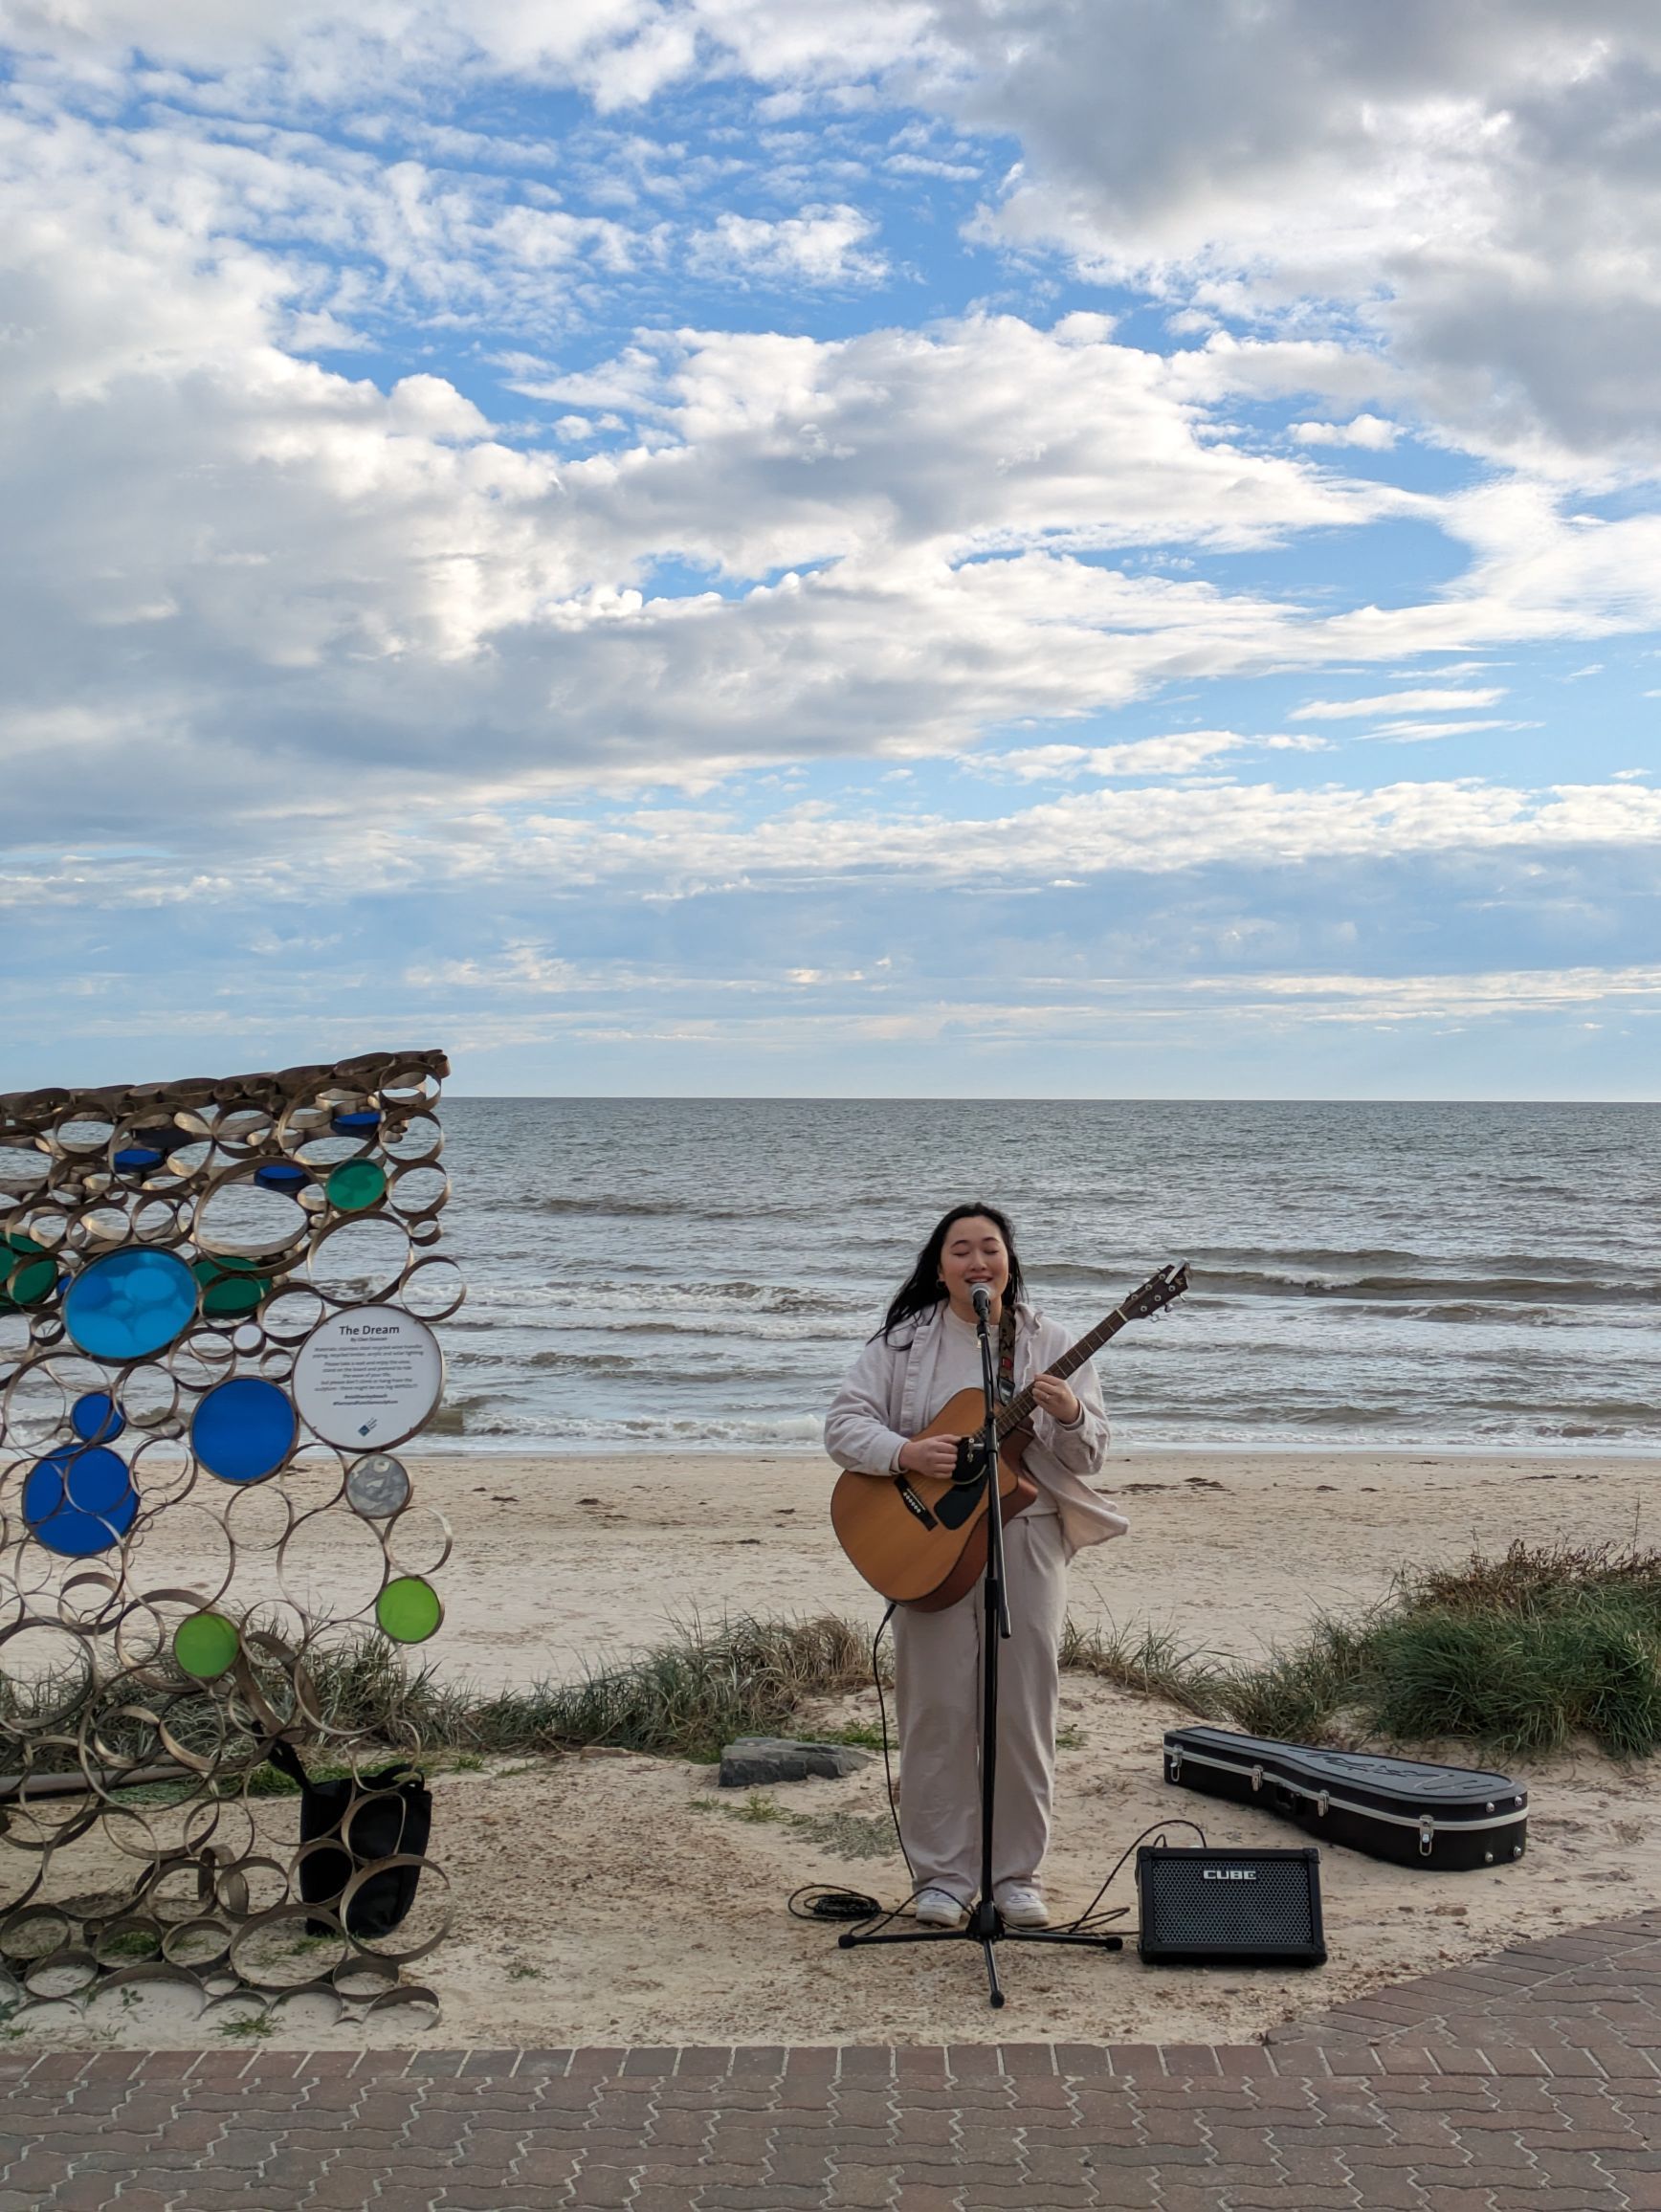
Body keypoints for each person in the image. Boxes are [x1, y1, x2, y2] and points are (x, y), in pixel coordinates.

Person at [824, 1203, 1126, 1930]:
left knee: (1023, 1710)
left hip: (1026, 1533)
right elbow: (843, 1424)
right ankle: (943, 1878)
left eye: (990, 1248)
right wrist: (907, 1453)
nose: (977, 1262)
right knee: (936, 1709)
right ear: (940, 1267)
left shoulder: (1048, 1341)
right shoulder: (903, 1343)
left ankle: (1016, 1875)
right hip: (930, 1542)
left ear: (1010, 1262)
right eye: (961, 1250)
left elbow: (1092, 1454)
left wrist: (1070, 1415)